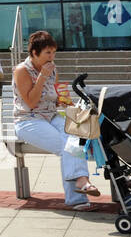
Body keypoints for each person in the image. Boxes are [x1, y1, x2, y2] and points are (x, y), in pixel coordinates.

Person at [13, 30, 99, 210]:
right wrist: (42, 76)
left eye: (53, 53)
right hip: (28, 120)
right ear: (34, 53)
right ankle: (80, 191)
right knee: (66, 144)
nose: (52, 57)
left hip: (51, 116)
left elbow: (54, 95)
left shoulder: (53, 70)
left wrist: (63, 100)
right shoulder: (22, 70)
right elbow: (30, 102)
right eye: (47, 53)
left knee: (76, 136)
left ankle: (80, 187)